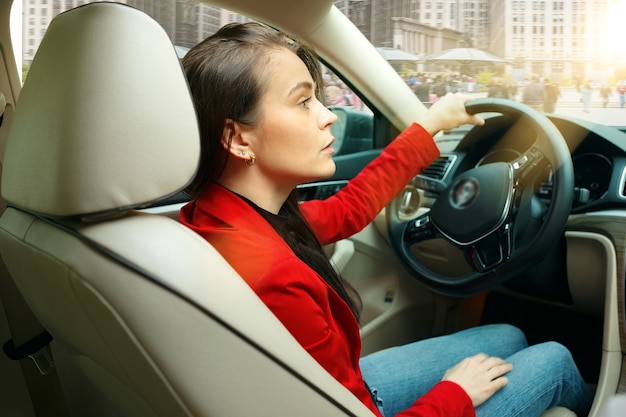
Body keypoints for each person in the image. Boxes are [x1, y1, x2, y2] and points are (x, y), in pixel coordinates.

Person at [179, 22, 593, 417]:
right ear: (237, 139)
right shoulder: (273, 278)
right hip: (352, 405)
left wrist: (430, 126)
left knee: (510, 336)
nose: (329, 116)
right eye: (304, 101)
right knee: (554, 358)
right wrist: (455, 393)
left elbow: (346, 210)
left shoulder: (223, 219)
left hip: (338, 392)